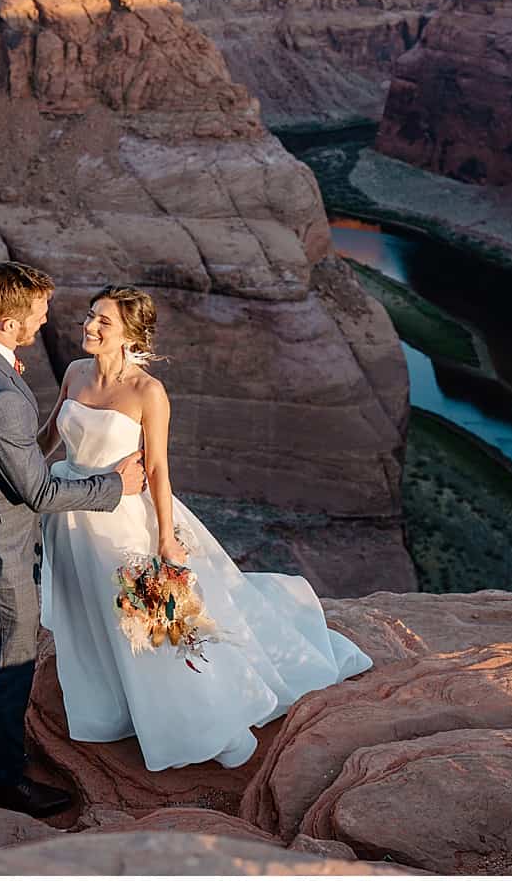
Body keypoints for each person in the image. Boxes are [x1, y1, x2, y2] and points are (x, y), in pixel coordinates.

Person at [38, 285, 373, 771]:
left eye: (103, 321)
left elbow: (158, 470)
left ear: (130, 335)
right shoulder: (74, 372)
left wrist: (165, 538)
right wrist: (10, 468)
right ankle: (114, 704)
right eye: (91, 315)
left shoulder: (148, 392)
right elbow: (49, 437)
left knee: (151, 623)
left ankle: (200, 717)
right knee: (89, 610)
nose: (89, 326)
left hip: (122, 521)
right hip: (70, 515)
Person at [0, 261, 146, 818]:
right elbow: (40, 491)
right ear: (7, 323)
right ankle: (0, 781)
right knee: (11, 658)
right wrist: (115, 486)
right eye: (38, 313)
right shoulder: (2, 394)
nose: (47, 319)